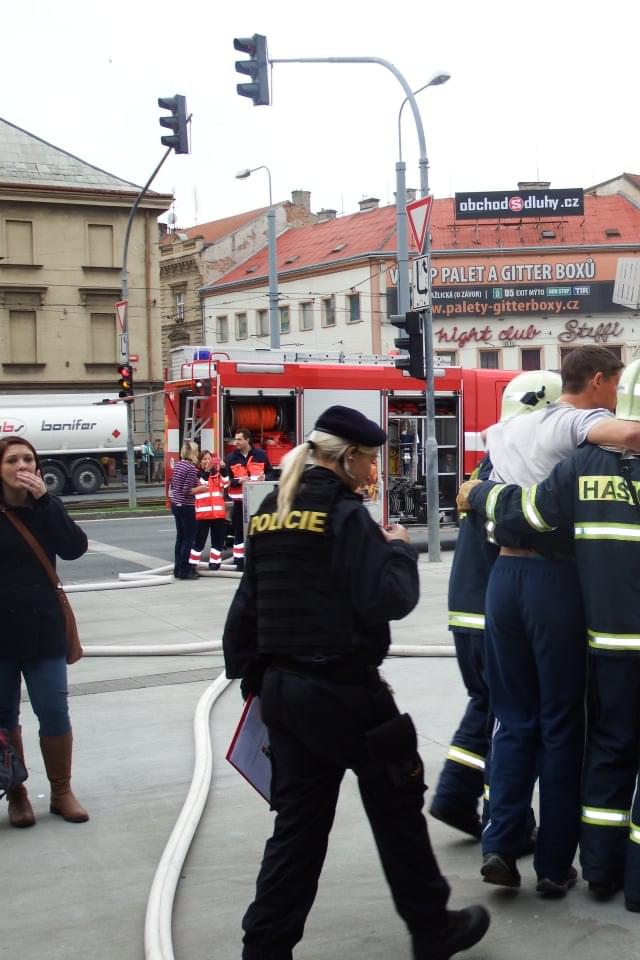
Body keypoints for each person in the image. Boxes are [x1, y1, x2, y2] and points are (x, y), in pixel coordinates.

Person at [223, 405, 490, 960]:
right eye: (370, 461)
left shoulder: (273, 508)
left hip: (284, 692)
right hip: (345, 693)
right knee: (397, 809)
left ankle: (264, 948)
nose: (373, 472)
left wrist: (257, 685)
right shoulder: (344, 515)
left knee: (298, 830)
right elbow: (390, 598)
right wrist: (398, 549)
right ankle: (432, 928)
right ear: (346, 458)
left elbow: (246, 607)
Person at [457, 345, 640, 896]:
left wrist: (479, 494)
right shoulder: (577, 425)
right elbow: (630, 436)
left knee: (513, 720)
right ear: (599, 380)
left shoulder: (507, 430)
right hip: (552, 580)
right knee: (562, 725)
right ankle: (555, 866)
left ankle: (501, 841)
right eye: (614, 387)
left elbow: (489, 496)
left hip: (504, 580)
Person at [430, 370, 562, 841]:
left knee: (487, 704)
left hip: (467, 608)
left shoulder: (489, 463)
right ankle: (504, 822)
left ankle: (455, 793)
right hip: (497, 612)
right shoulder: (529, 467)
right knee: (511, 715)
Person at [0, 435, 89, 827]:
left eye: (28, 459)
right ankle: (17, 793)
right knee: (4, 715)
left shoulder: (46, 506)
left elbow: (74, 548)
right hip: (2, 632)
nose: (22, 466)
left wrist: (45, 502)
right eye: (11, 460)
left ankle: (61, 790)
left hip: (43, 628)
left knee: (53, 709)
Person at [226, 428, 273, 572]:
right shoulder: (231, 458)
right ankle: (239, 563)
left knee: (259, 532)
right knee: (239, 533)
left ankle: (259, 561)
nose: (236, 442)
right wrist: (238, 481)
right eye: (235, 439)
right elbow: (227, 480)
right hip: (239, 502)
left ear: (247, 440)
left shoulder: (261, 455)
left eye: (239, 439)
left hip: (257, 501)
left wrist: (265, 478)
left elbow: (271, 473)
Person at [188, 450, 229, 571]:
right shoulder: (196, 473)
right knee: (199, 542)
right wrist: (206, 471)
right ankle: (192, 565)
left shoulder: (216, 473)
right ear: (200, 461)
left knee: (218, 542)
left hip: (218, 514)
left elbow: (226, 484)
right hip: (203, 514)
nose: (207, 461)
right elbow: (202, 484)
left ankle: (215, 564)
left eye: (209, 459)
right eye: (204, 459)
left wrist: (223, 469)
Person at [169, 440, 200, 580]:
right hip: (186, 506)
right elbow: (187, 490)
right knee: (189, 538)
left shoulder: (179, 465)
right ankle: (185, 570)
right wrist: (201, 489)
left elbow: (176, 485)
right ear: (192, 453)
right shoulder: (191, 468)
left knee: (180, 538)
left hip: (176, 504)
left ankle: (177, 569)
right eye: (196, 451)